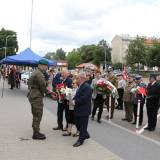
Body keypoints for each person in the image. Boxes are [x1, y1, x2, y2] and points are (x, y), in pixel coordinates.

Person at [27, 59, 48, 140]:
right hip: (36, 97)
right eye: (46, 66)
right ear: (41, 65)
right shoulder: (39, 74)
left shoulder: (35, 72)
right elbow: (43, 86)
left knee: (35, 114)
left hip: (33, 95)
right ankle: (36, 133)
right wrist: (47, 93)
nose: (46, 68)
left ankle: (35, 130)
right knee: (38, 114)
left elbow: (29, 83)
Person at [72, 72, 92, 147]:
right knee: (77, 124)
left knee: (82, 125)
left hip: (84, 110)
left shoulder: (87, 87)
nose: (76, 79)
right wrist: (73, 99)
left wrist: (75, 102)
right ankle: (85, 134)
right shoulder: (80, 86)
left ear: (82, 79)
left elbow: (84, 98)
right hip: (78, 108)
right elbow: (77, 95)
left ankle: (80, 140)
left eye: (77, 78)